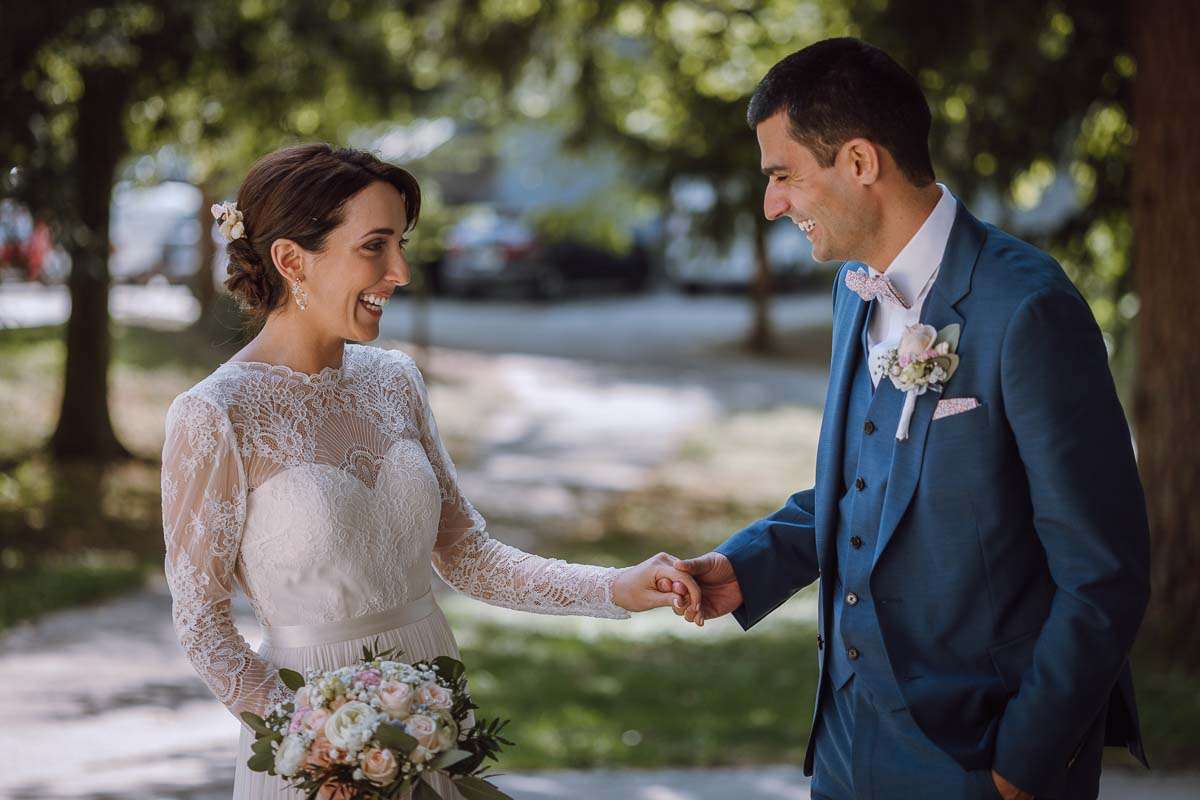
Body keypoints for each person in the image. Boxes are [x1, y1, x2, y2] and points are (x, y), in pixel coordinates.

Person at [668, 38, 1150, 800]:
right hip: (845, 745)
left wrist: (1022, 767)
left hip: (980, 756)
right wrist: (750, 563)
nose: (772, 204)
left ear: (859, 161)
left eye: (783, 175)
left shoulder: (1028, 307)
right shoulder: (853, 292)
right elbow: (871, 484)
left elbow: (1104, 573)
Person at [160, 143, 701, 799]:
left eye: (401, 245)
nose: (402, 271)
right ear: (292, 259)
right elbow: (203, 625)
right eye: (376, 246)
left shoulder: (395, 380)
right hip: (315, 759)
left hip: (433, 725)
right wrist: (319, 747)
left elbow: (467, 554)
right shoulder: (215, 414)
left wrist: (618, 586)